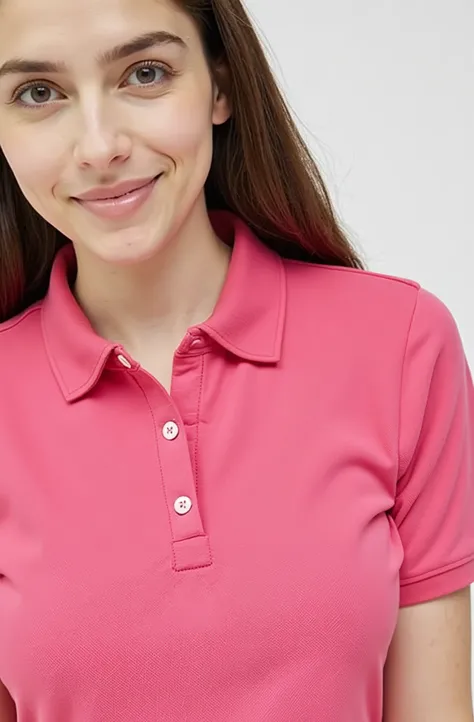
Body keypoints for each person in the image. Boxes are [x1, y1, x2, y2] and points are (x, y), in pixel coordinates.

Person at [0, 0, 473, 720]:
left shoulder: (401, 344)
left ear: (220, 85)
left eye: (145, 73)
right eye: (39, 93)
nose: (98, 146)